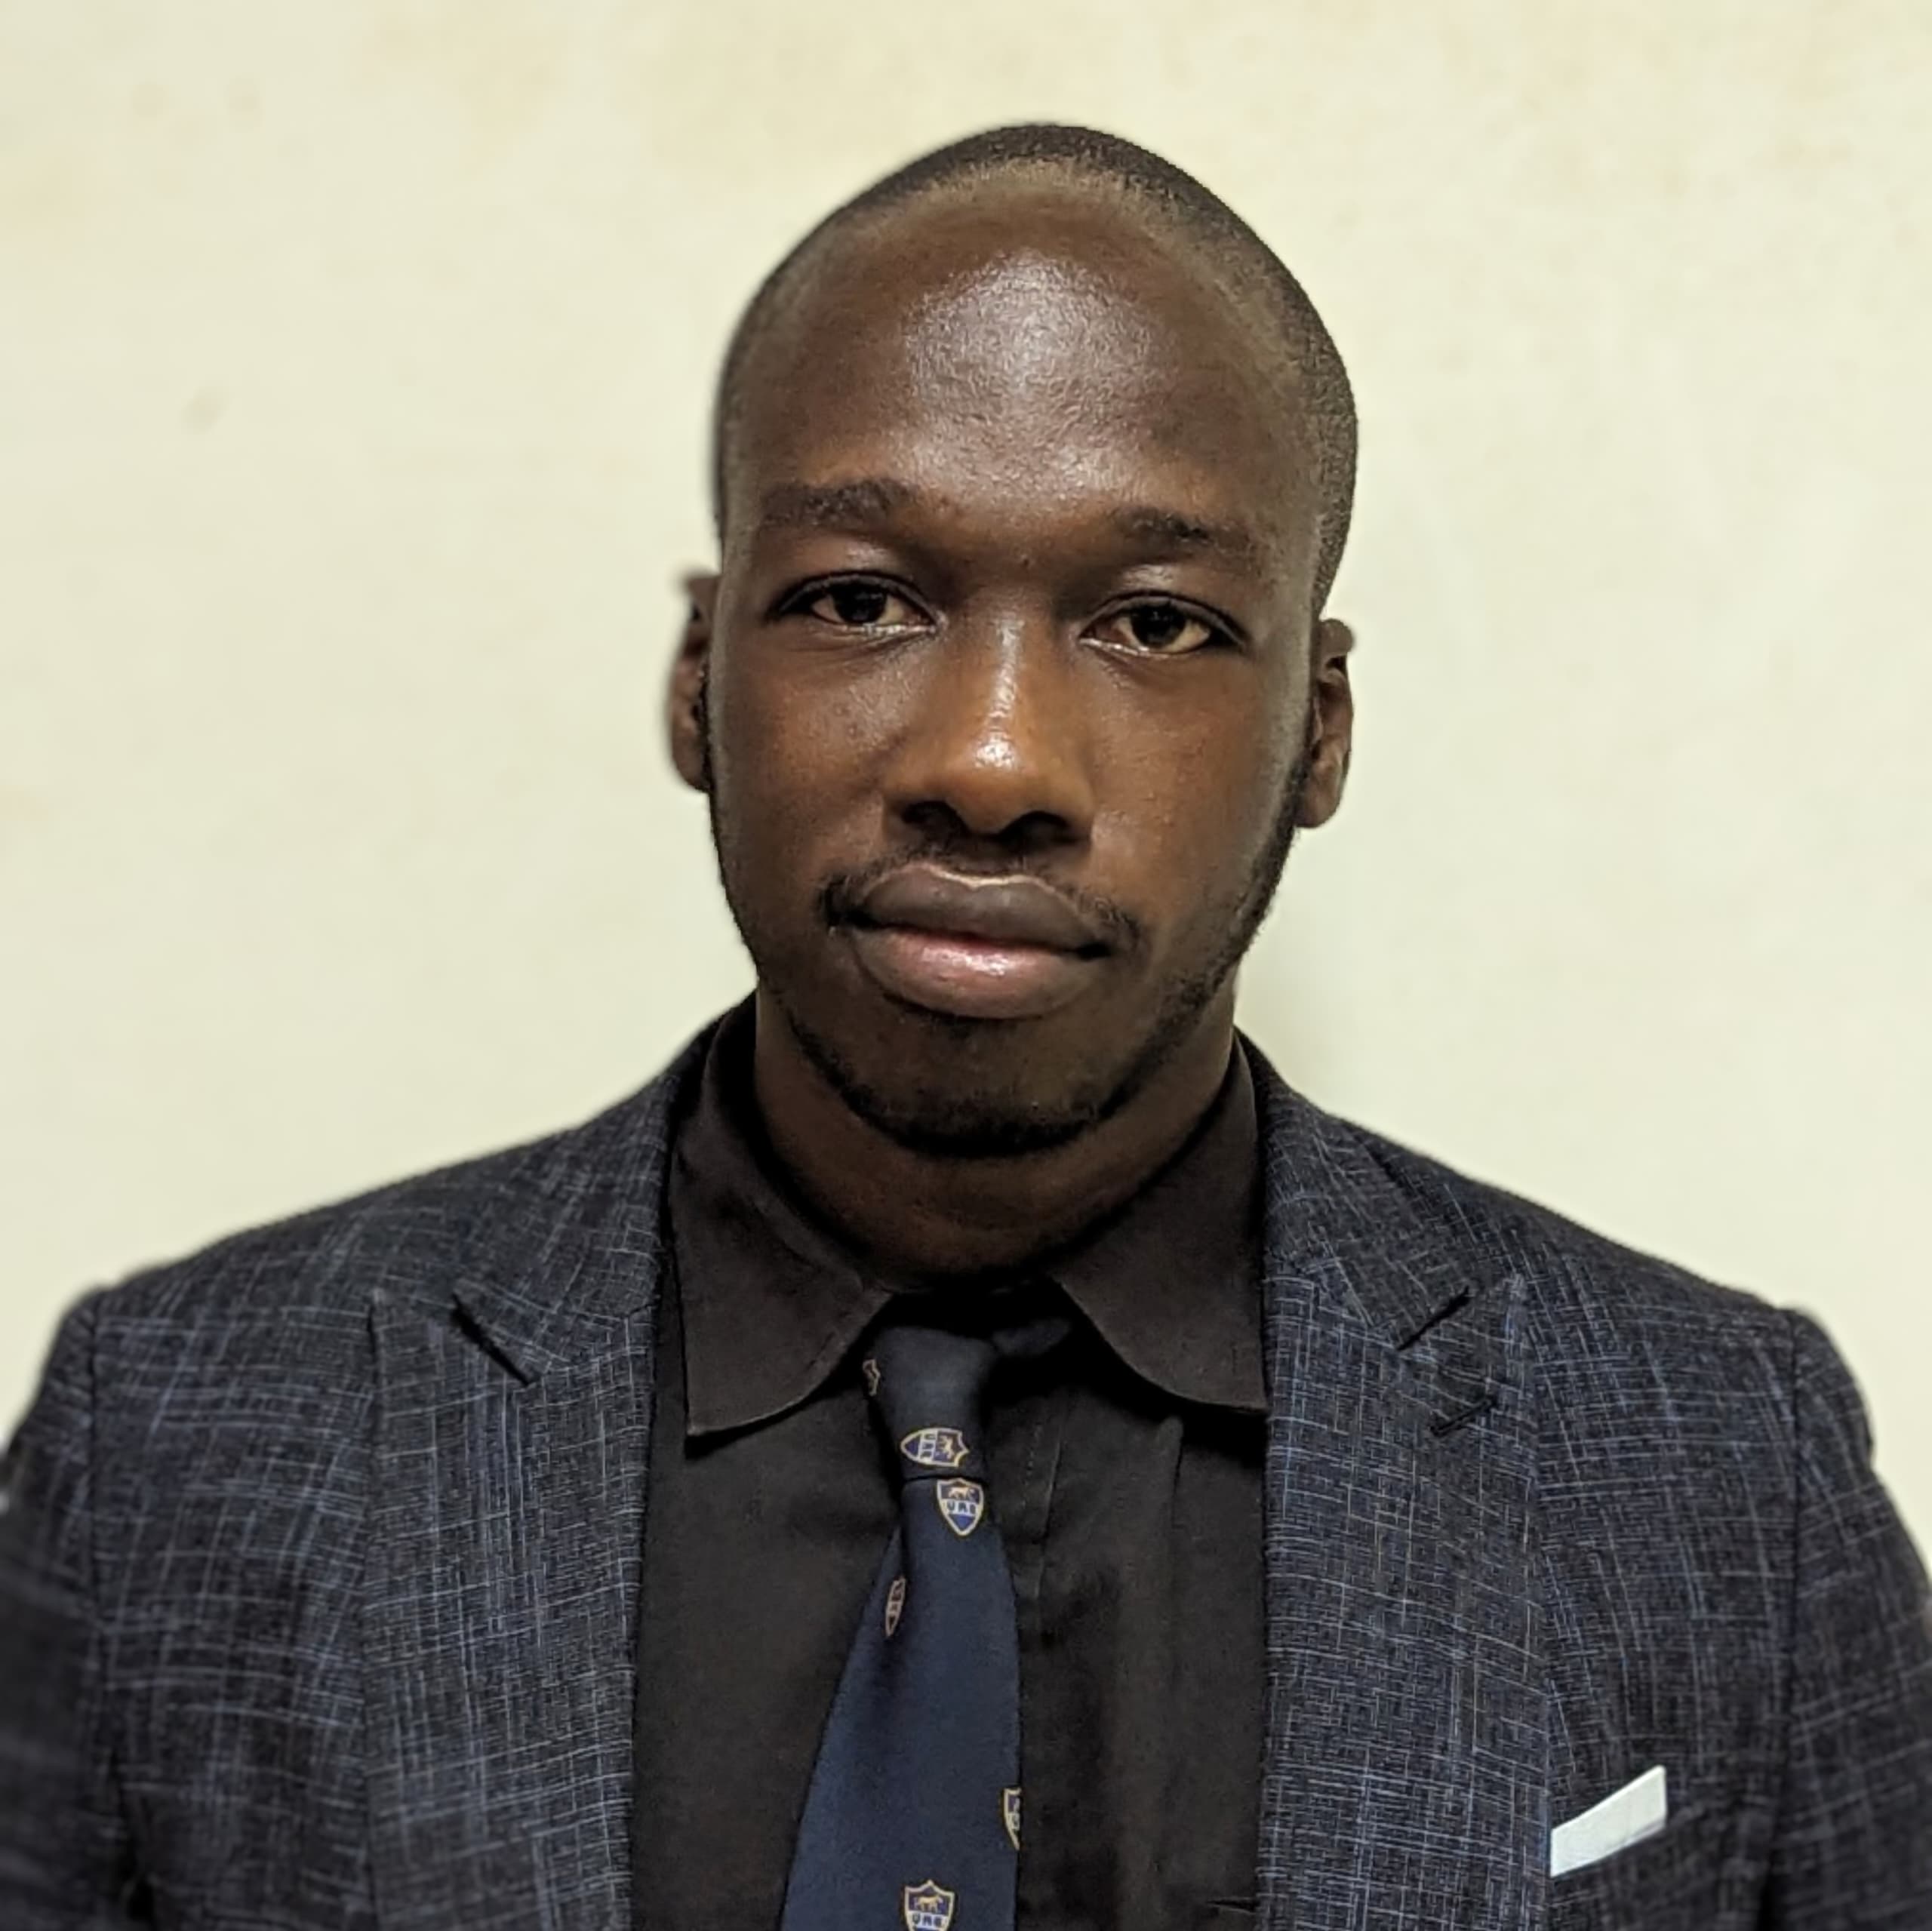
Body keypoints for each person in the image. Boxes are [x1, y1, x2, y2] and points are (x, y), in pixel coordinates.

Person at [2, 122, 1927, 1931]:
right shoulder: (174, 1438)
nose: (990, 759)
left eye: (1153, 622)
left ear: (1318, 731)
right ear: (698, 679)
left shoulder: (1714, 1470)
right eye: (860, 599)